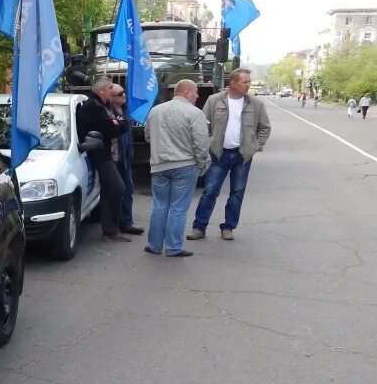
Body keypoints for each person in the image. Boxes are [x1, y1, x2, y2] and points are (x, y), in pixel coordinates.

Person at [186, 67, 271, 242]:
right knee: (210, 191)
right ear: (232, 83)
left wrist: (254, 146)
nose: (249, 85)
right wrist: (209, 143)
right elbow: (203, 124)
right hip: (219, 154)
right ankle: (199, 227)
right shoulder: (214, 100)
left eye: (249, 81)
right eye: (245, 81)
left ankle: (228, 227)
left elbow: (265, 128)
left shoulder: (256, 104)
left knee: (237, 193)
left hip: (242, 156)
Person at [144, 79, 210, 258]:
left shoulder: (155, 111)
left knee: (159, 206)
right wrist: (202, 162)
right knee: (178, 208)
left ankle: (154, 245)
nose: (197, 96)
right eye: (196, 92)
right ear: (187, 92)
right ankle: (173, 248)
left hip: (158, 166)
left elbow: (148, 136)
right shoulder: (195, 113)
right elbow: (201, 143)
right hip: (185, 165)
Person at [74, 77, 129, 242]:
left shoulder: (104, 106)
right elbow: (112, 129)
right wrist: (116, 123)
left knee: (108, 190)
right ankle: (111, 230)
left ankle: (110, 230)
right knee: (117, 188)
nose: (113, 90)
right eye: (110, 87)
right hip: (99, 155)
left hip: (105, 153)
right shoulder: (93, 107)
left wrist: (117, 122)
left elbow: (122, 125)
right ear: (101, 91)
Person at [110, 84, 144, 237]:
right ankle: (114, 224)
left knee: (128, 189)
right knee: (115, 191)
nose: (124, 95)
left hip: (125, 156)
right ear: (111, 98)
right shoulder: (107, 112)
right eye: (120, 94)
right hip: (113, 157)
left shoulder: (125, 111)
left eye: (124, 92)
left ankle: (126, 222)